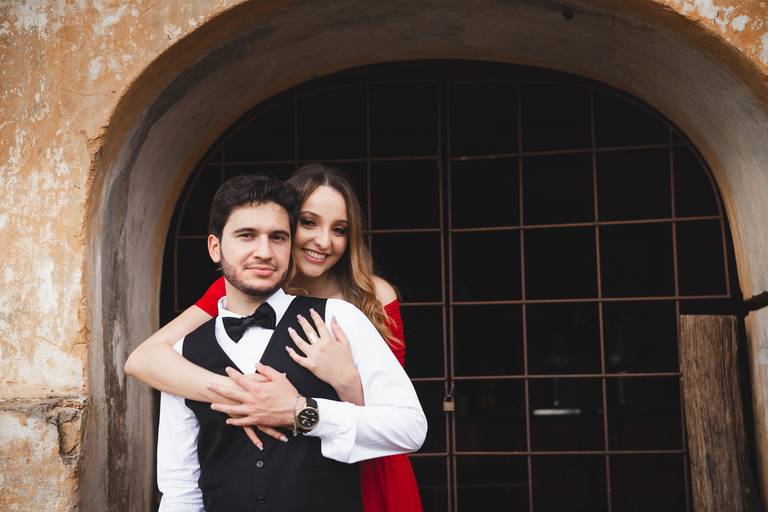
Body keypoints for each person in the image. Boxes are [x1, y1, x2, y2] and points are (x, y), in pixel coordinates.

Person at [126, 167, 425, 511]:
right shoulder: (227, 295)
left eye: (339, 229)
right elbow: (146, 360)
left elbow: (402, 422)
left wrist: (333, 388)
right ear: (216, 247)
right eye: (309, 223)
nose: (323, 241)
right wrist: (247, 396)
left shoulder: (355, 308)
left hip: (370, 463)